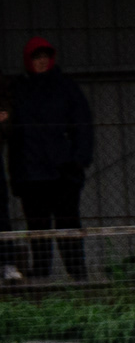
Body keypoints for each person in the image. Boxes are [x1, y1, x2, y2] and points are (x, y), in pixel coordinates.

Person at [1, 36, 99, 279]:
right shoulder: (18, 90)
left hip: (62, 171)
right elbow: (10, 131)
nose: (42, 61)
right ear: (28, 60)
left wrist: (78, 160)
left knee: (68, 224)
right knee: (37, 226)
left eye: (45, 56)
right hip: (30, 172)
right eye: (36, 57)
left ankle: (77, 274)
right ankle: (41, 274)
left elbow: (83, 125)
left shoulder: (66, 87)